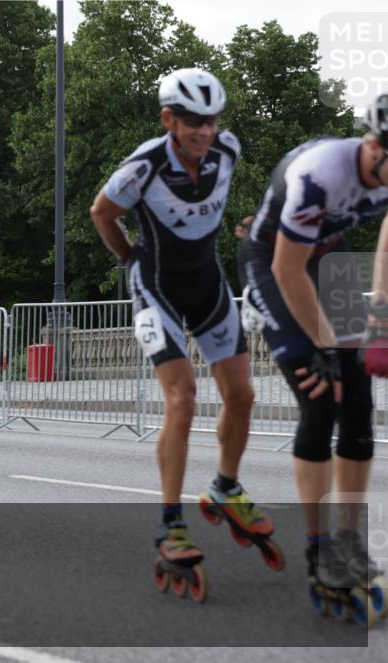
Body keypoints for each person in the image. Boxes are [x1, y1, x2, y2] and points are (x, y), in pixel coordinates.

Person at [89, 68, 273, 595]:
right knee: (183, 398)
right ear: (169, 119)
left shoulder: (228, 150)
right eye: (192, 121)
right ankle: (171, 524)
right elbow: (102, 212)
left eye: (211, 121)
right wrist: (129, 261)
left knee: (241, 394)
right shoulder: (144, 165)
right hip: (157, 288)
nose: (203, 131)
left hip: (208, 283)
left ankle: (226, 487)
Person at [237, 93, 388, 621]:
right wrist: (324, 343)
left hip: (332, 257)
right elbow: (287, 269)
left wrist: (382, 309)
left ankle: (348, 539)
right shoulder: (321, 173)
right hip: (277, 264)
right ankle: (319, 548)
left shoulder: (382, 171)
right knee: (321, 398)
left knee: (359, 404)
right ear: (374, 147)